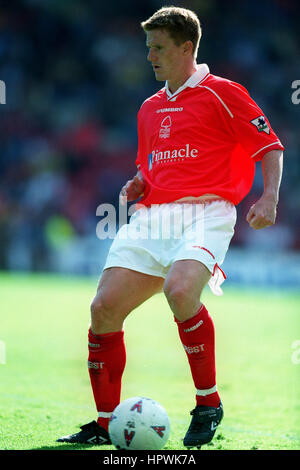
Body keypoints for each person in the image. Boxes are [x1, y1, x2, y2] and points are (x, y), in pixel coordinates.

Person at [57, 6, 284, 448]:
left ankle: (208, 403)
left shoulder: (224, 92)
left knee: (180, 292)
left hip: (207, 212)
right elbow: (150, 166)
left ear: (186, 48)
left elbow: (270, 146)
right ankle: (105, 424)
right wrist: (141, 182)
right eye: (148, 48)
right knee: (103, 309)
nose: (149, 56)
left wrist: (269, 196)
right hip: (153, 217)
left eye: (158, 48)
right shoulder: (149, 108)